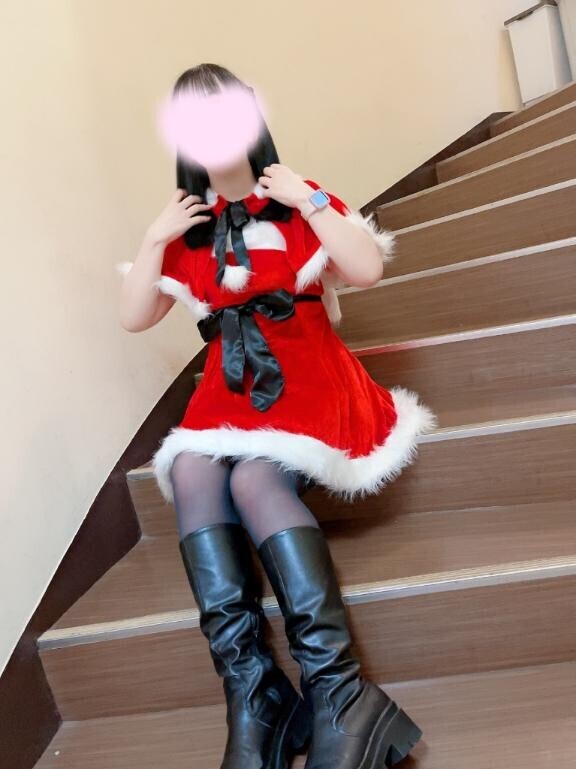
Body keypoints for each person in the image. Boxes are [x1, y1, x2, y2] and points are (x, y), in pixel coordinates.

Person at [117, 63, 436, 769]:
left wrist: (309, 197)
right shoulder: (188, 230)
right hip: (229, 393)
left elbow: (366, 268)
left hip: (312, 381)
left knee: (254, 478)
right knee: (193, 466)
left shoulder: (295, 199)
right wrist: (152, 238)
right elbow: (134, 315)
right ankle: (253, 689)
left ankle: (339, 691)